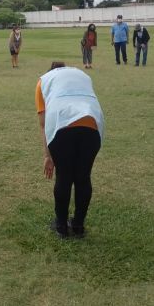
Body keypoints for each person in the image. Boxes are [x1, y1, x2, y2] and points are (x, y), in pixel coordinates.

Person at [36, 61, 104, 238]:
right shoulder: (82, 75)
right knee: (83, 177)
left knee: (64, 176)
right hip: (92, 124)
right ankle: (78, 226)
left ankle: (61, 228)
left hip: (61, 126)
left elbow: (43, 124)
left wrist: (48, 156)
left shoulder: (43, 81)